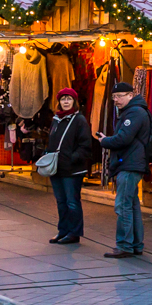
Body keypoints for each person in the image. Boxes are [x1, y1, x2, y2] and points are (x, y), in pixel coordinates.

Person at [97, 81, 152, 258]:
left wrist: (105, 141)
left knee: (123, 206)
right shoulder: (134, 111)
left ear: (130, 95)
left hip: (130, 165)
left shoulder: (134, 113)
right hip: (131, 163)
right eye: (113, 97)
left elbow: (123, 139)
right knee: (132, 205)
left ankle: (125, 245)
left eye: (119, 96)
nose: (116, 100)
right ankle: (135, 244)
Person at [44, 87, 99, 245]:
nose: (66, 102)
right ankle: (63, 230)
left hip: (73, 169)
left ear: (74, 101)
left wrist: (71, 159)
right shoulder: (56, 119)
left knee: (72, 201)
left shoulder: (79, 120)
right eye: (63, 99)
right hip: (57, 168)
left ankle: (74, 233)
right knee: (61, 201)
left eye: (69, 99)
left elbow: (85, 146)